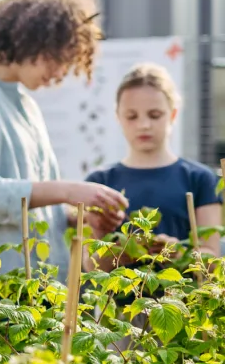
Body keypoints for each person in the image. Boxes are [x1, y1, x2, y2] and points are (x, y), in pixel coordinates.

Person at [0, 0, 128, 280]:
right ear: (32, 40)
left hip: (34, 291)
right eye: (59, 59)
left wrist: (77, 218)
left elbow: (36, 204)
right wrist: (69, 190)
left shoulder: (27, 103)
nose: (59, 74)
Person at [85, 62, 221, 270]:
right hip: (114, 303)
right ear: (118, 117)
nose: (144, 125)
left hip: (182, 301)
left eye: (155, 115)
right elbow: (89, 264)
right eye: (132, 116)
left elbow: (213, 259)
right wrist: (120, 252)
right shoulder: (99, 183)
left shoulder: (200, 178)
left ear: (173, 115)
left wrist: (180, 254)